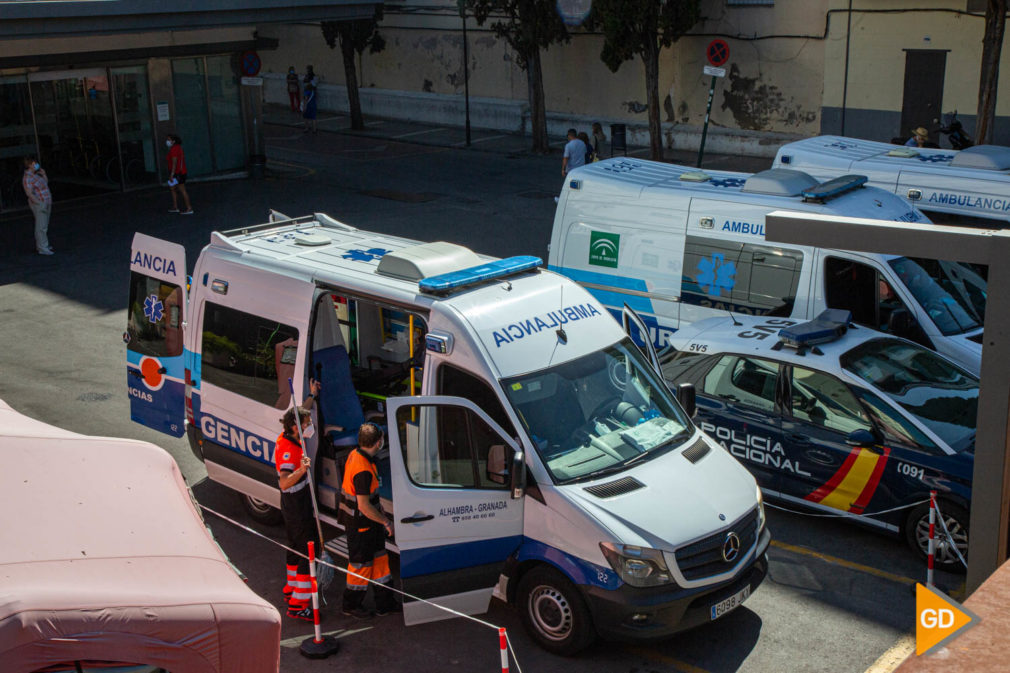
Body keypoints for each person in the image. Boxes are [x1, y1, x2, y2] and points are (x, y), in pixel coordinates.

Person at [339, 422, 399, 619]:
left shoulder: (357, 455)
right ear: (378, 442)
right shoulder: (363, 468)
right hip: (361, 526)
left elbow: (369, 500)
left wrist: (379, 510)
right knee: (361, 566)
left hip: (366, 523)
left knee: (380, 562)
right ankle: (351, 605)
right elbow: (364, 506)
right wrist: (385, 522)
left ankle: (385, 603)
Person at [276, 378, 322, 621]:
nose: (309, 425)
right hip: (296, 501)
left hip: (295, 501)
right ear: (295, 427)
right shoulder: (289, 450)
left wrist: (311, 395)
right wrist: (302, 471)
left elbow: (299, 410)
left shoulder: (290, 434)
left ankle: (291, 588)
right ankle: (299, 604)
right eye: (306, 423)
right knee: (307, 550)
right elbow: (284, 482)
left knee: (294, 546)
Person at [21, 155, 53, 255]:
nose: (36, 165)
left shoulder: (36, 175)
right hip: (40, 203)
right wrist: (39, 203)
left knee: (44, 225)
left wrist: (44, 175)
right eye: (34, 163)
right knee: (41, 226)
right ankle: (42, 248)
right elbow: (29, 193)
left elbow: (44, 184)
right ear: (30, 165)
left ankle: (44, 245)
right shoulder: (28, 178)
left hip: (46, 201)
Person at [165, 134, 193, 215]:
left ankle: (189, 208)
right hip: (180, 172)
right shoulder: (178, 148)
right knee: (173, 188)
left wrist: (172, 174)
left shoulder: (174, 149)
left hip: (177, 173)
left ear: (173, 141)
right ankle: (175, 206)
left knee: (182, 190)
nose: (167, 141)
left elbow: (174, 162)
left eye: (169, 139)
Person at [303, 65, 319, 134]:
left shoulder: (307, 91)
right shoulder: (314, 91)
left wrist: (304, 106)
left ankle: (306, 128)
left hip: (308, 105)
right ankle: (314, 129)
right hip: (313, 104)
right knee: (313, 117)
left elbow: (306, 99)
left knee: (306, 117)